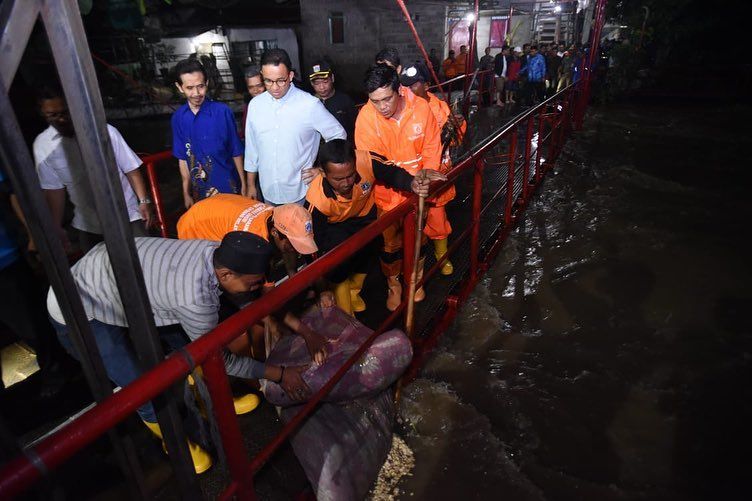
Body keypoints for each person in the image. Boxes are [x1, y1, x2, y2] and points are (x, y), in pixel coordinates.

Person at [47, 232, 311, 473]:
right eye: (254, 284)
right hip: (80, 307)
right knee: (140, 387)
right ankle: (176, 443)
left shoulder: (214, 252)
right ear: (227, 274)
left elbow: (244, 301)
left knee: (186, 343)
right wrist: (280, 374)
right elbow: (221, 359)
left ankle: (215, 399)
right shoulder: (195, 298)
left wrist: (291, 326)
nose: (256, 288)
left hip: (127, 283)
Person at [306, 140, 445, 315]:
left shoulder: (366, 160)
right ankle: (345, 310)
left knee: (374, 245)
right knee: (336, 263)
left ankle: (354, 290)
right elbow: (314, 247)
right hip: (335, 227)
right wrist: (322, 288)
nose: (346, 183)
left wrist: (412, 183)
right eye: (338, 179)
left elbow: (391, 172)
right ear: (324, 174)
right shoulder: (316, 200)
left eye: (350, 175)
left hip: (364, 215)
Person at [354, 64, 442, 311]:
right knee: (389, 246)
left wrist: (426, 177)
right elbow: (374, 163)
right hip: (386, 196)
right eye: (375, 101)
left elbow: (432, 147)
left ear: (399, 90)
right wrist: (407, 181)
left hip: (420, 192)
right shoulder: (366, 118)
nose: (382, 107)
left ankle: (415, 279)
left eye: (386, 99)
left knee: (419, 238)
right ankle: (394, 284)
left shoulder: (422, 108)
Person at [33, 86, 154, 253]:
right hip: (88, 224)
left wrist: (144, 201)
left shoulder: (104, 132)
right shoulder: (43, 146)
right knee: (96, 272)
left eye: (64, 112)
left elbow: (130, 168)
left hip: (127, 215)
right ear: (43, 115)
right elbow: (54, 191)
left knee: (146, 259)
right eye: (53, 115)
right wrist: (55, 227)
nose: (61, 119)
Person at [0, 167, 72, 395]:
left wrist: (33, 234)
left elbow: (12, 194)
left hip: (5, 260)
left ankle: (58, 370)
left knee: (31, 323)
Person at [244, 48, 346, 206]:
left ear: (290, 76)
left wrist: (321, 170)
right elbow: (252, 148)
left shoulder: (309, 105)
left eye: (281, 80)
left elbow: (338, 135)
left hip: (300, 193)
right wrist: (250, 184)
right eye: (268, 81)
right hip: (267, 192)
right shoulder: (256, 105)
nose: (275, 87)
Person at [400, 62, 466, 276]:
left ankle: (441, 256)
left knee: (438, 221)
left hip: (436, 175)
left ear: (427, 84)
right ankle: (414, 265)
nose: (408, 90)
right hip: (413, 178)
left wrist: (458, 125)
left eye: (414, 85)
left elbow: (456, 141)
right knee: (411, 224)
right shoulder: (402, 110)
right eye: (405, 86)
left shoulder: (440, 107)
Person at [177, 194, 317, 277]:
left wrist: (294, 276)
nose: (295, 249)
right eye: (293, 244)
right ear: (274, 232)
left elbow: (287, 248)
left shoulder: (280, 217)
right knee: (213, 276)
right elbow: (263, 291)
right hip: (195, 224)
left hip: (217, 207)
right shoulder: (254, 241)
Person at [172, 58, 245, 209]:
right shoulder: (178, 118)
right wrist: (186, 193)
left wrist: (245, 185)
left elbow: (236, 151)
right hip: (200, 192)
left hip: (230, 187)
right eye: (189, 88)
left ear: (206, 83)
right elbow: (182, 159)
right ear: (179, 87)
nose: (196, 93)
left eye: (200, 86)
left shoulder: (222, 112)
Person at [308, 61, 357, 139]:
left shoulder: (345, 101)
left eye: (325, 82)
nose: (322, 87)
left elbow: (355, 129)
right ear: (311, 83)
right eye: (317, 83)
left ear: (332, 78)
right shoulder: (309, 104)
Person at [240, 65, 265, 139]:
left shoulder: (277, 104)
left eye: (259, 86)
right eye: (251, 87)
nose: (255, 91)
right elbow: (246, 132)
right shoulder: (249, 107)